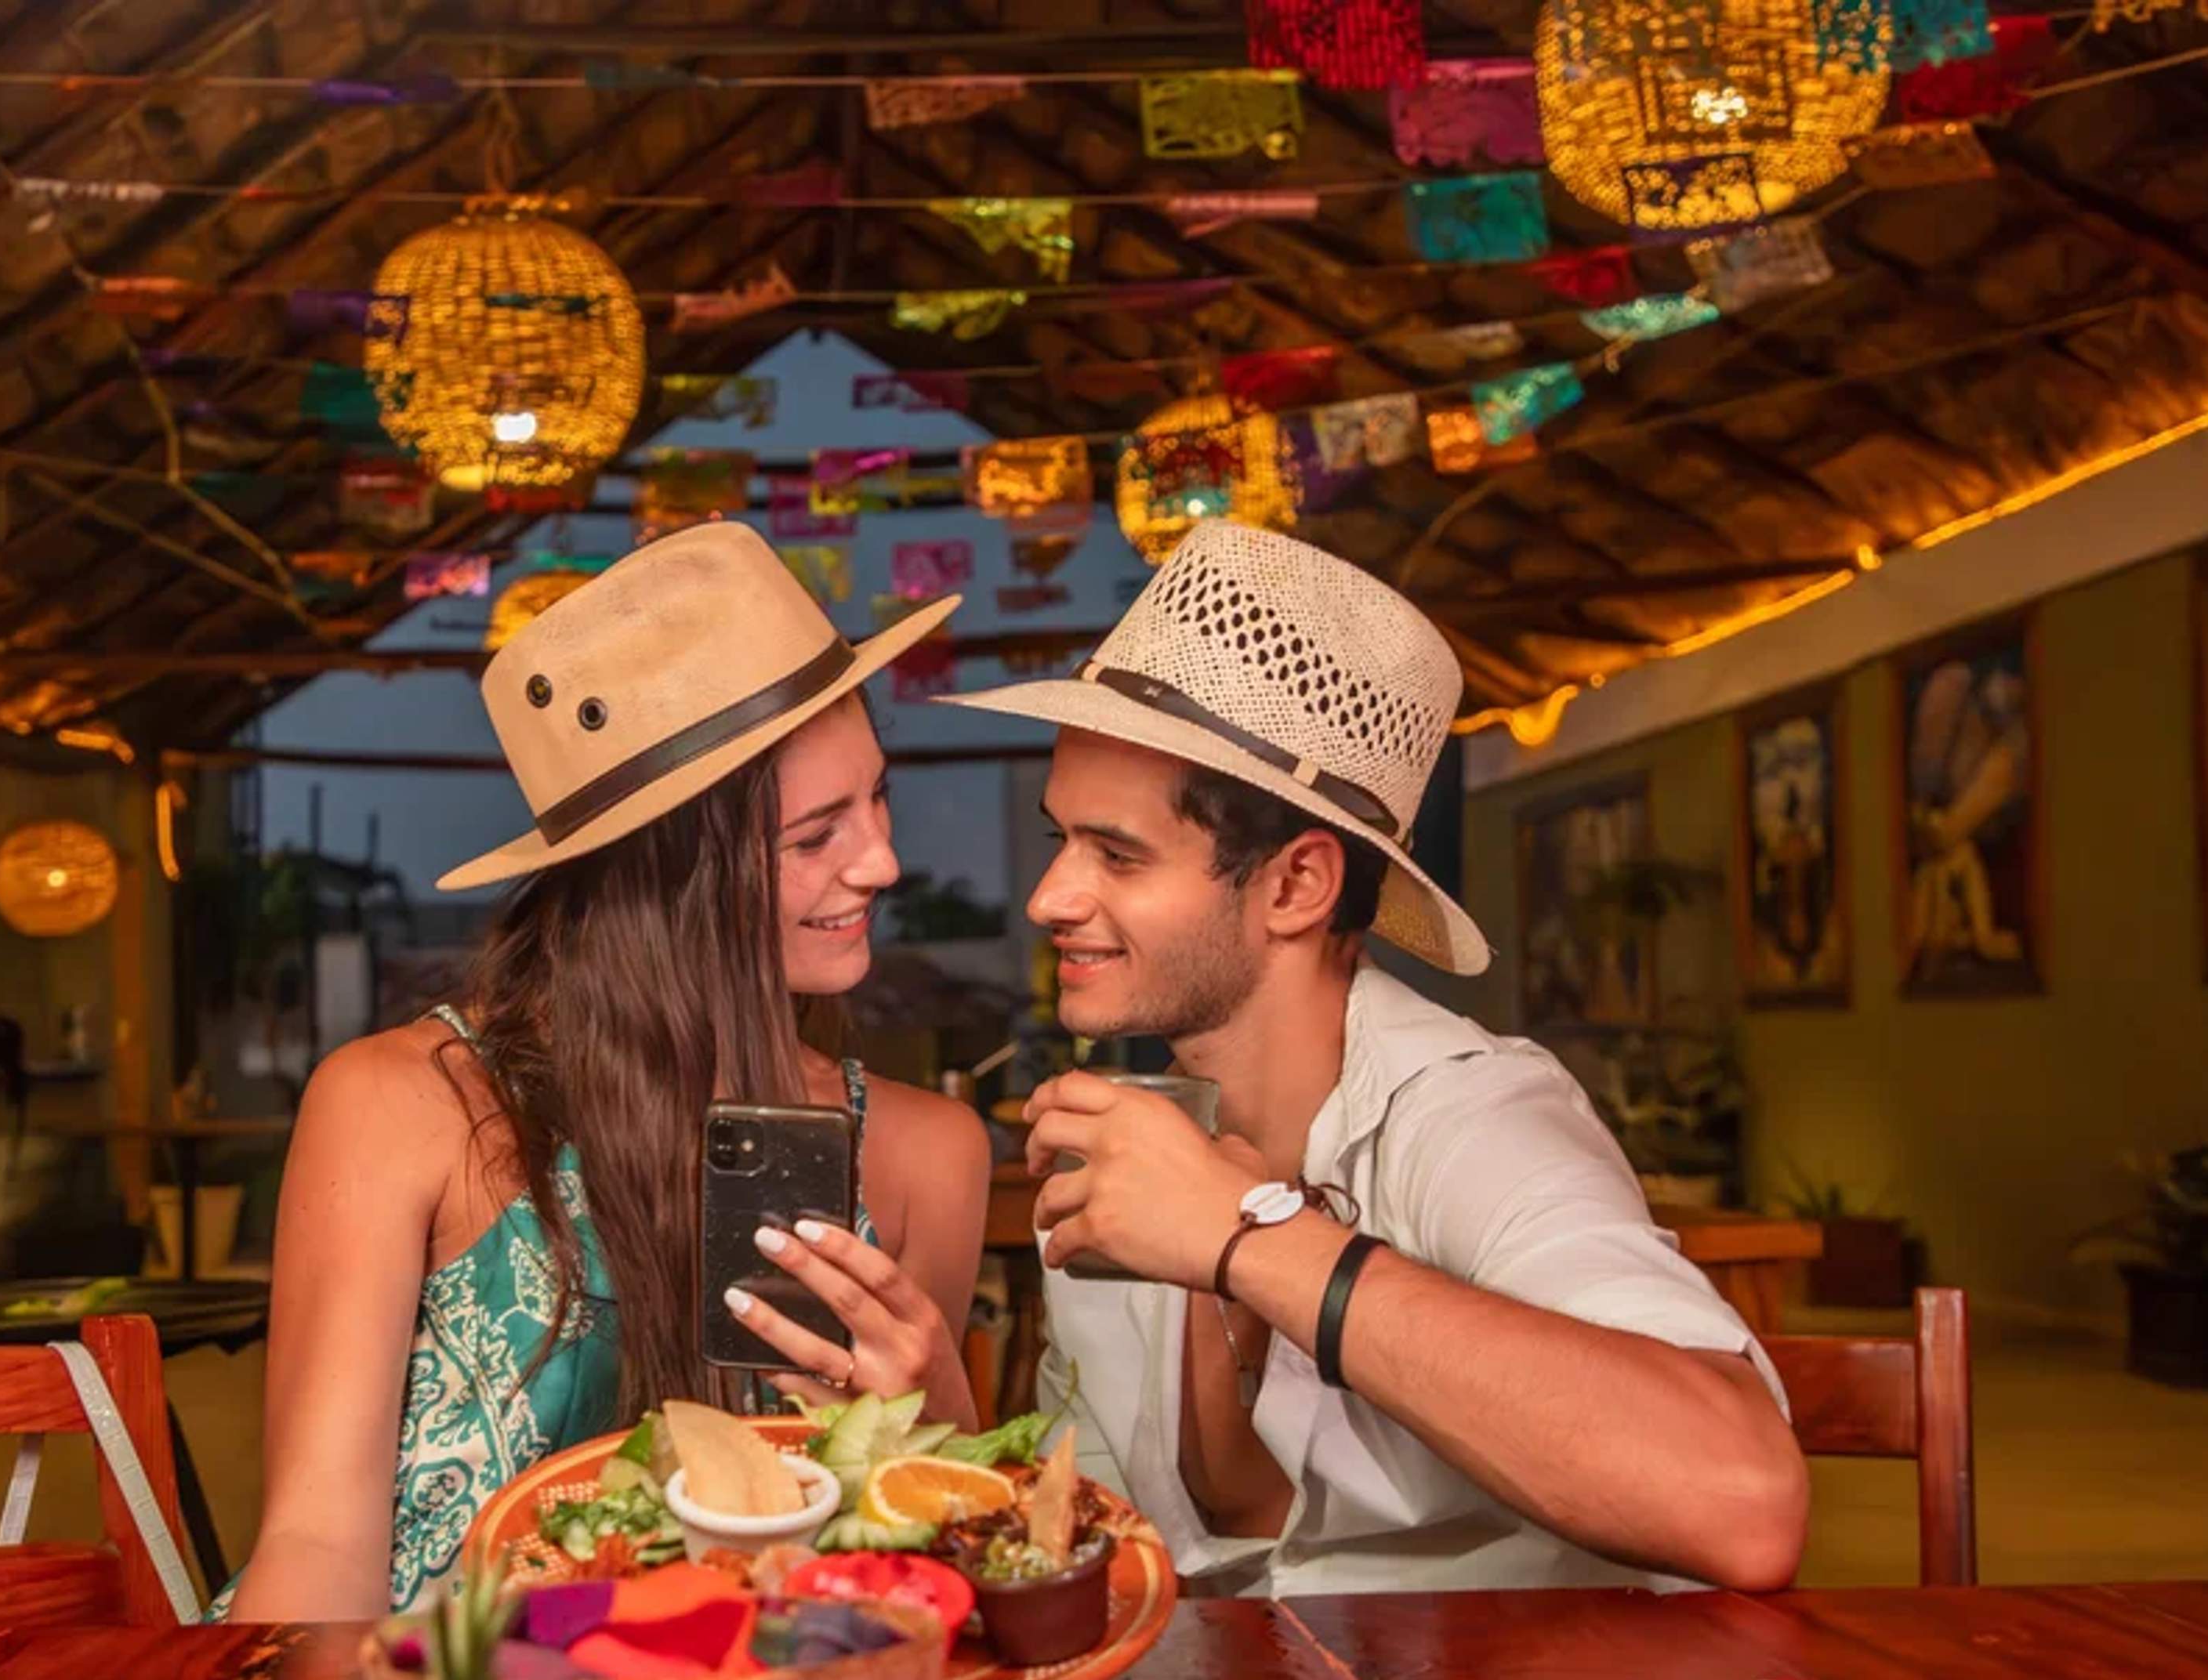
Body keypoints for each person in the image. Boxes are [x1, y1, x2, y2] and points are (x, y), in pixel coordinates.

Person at [935, 520, 1809, 1595]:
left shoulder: (1472, 1116)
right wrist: (933, 1407)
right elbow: (1151, 1546)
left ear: (1297, 886)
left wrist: (1254, 1244)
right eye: (1061, 838)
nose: (1048, 899)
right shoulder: (1121, 1146)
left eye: (1116, 854)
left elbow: (1745, 1501)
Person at [221, 525, 989, 1621]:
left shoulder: (927, 1155)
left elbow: (925, 1564)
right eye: (817, 834)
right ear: (669, 878)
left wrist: (936, 1403)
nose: (883, 862)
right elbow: (312, 1542)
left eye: (879, 800)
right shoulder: (403, 1106)